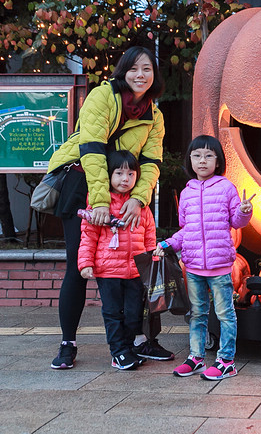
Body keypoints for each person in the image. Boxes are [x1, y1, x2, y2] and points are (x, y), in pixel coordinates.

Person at [47, 46, 173, 369]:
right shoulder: (102, 97)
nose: (140, 75)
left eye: (147, 69)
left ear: (155, 75)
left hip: (127, 192)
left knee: (140, 266)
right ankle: (67, 343)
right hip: (84, 185)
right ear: (122, 71)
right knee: (78, 265)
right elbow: (91, 149)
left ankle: (141, 340)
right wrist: (100, 201)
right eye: (134, 69)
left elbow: (151, 162)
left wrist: (138, 199)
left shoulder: (154, 116)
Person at [154, 134, 254, 380]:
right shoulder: (187, 193)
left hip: (220, 267)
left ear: (218, 161)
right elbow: (186, 231)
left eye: (209, 156)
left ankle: (226, 361)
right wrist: (166, 244)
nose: (202, 161)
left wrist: (244, 211)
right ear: (190, 160)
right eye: (197, 155)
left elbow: (236, 222)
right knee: (197, 314)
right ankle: (196, 357)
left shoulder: (226, 188)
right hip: (193, 266)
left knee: (225, 314)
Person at [78, 150, 156, 370]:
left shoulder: (140, 206)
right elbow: (88, 236)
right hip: (108, 271)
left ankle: (129, 349)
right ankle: (118, 352)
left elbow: (149, 235)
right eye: (119, 173)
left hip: (135, 271)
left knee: (133, 314)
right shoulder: (100, 206)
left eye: (131, 174)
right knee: (113, 313)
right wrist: (85, 263)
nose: (125, 179)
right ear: (109, 175)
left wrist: (151, 260)